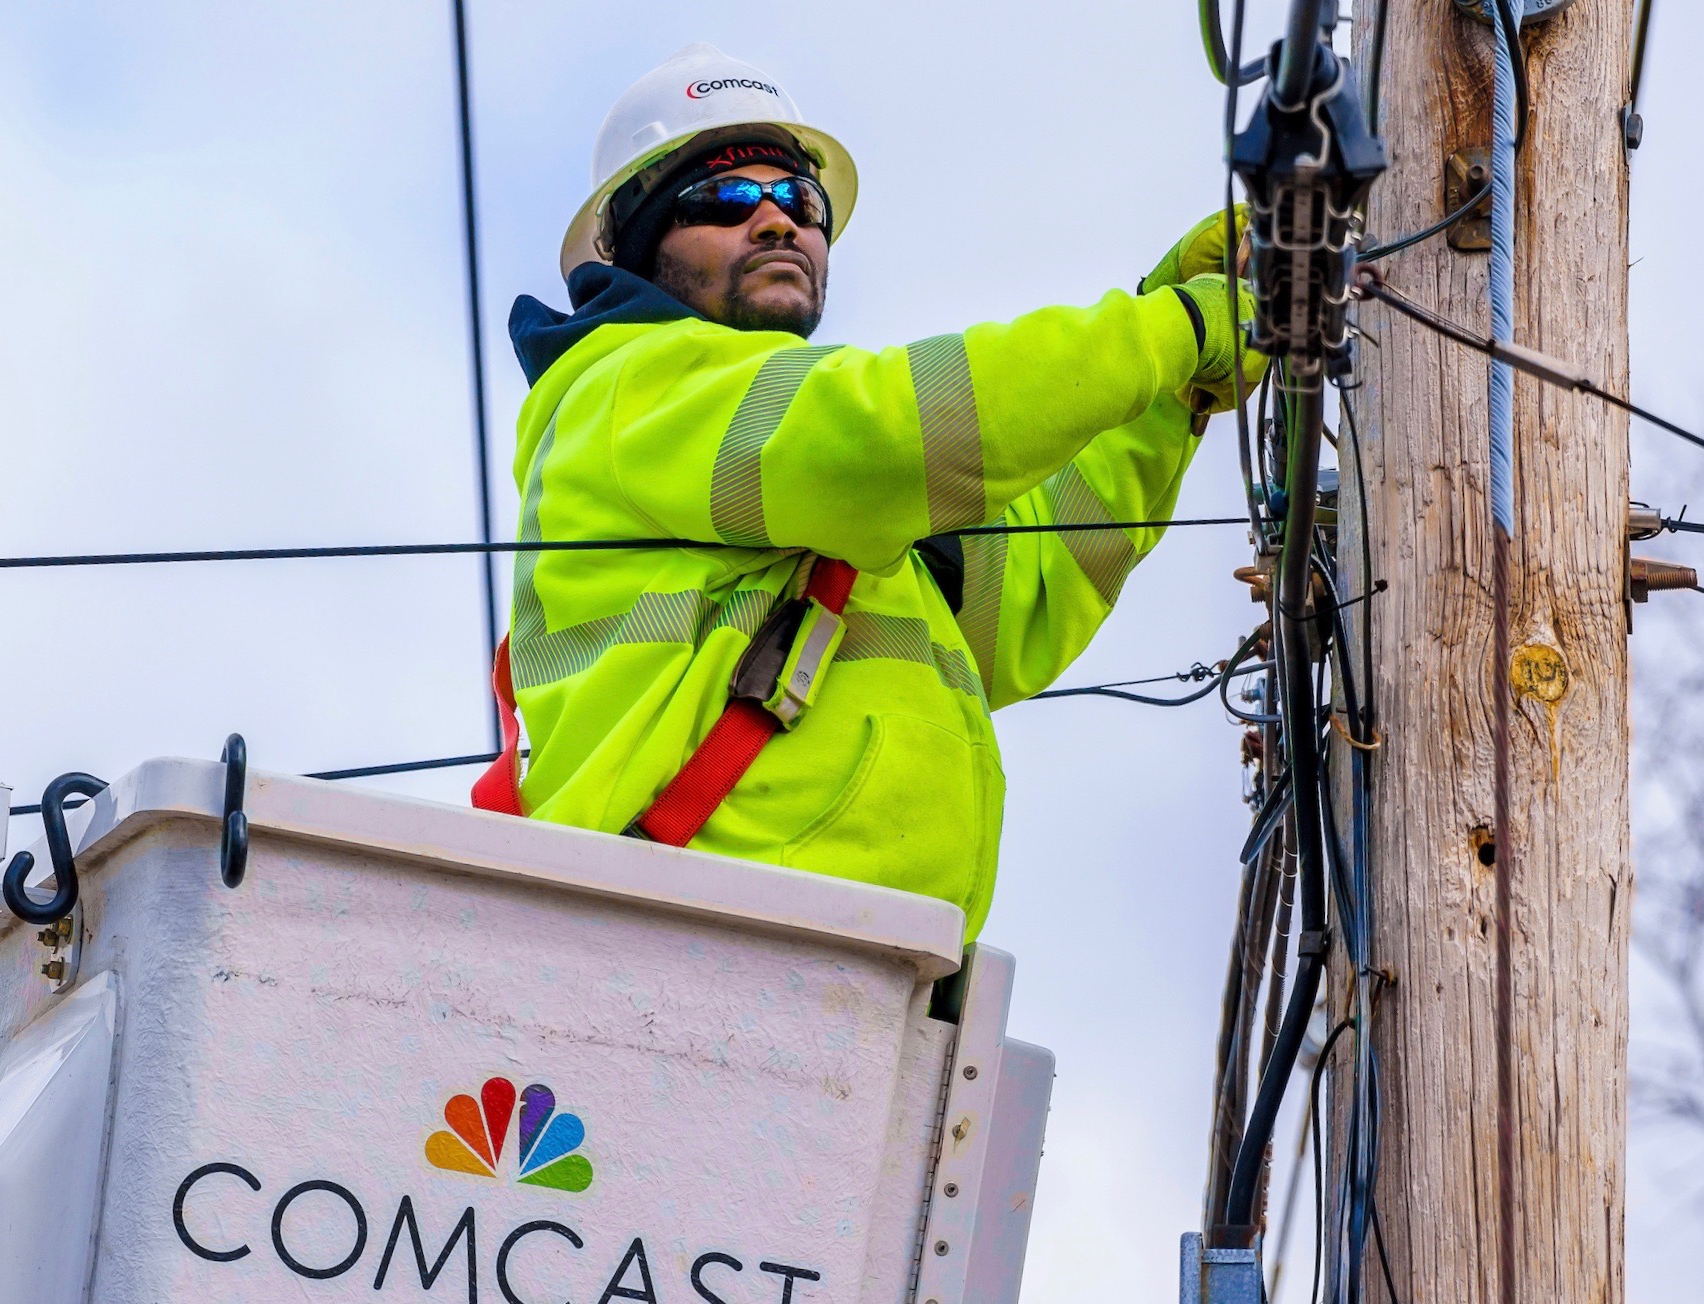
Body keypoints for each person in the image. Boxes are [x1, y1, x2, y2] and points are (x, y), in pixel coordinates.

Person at [471, 45, 1258, 941]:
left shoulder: (824, 505)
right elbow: (887, 432)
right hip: (690, 940)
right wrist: (1178, 328)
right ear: (645, 245)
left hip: (851, 970)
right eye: (725, 201)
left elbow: (1031, 582)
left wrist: (1168, 391)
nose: (776, 222)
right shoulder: (628, 389)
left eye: (800, 202)